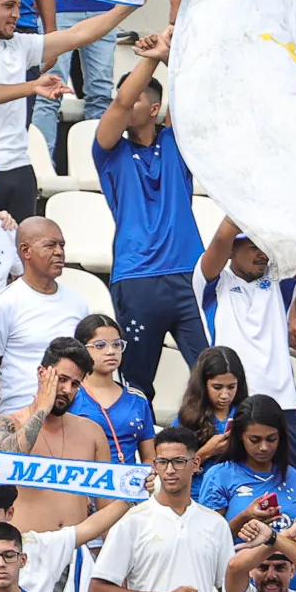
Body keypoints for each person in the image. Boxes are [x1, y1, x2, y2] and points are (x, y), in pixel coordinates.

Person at [94, 34, 208, 394]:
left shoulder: (177, 143)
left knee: (212, 377)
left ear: (155, 108)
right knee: (136, 384)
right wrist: (153, 58)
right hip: (137, 278)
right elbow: (122, 102)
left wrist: (170, 56)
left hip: (188, 275)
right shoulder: (110, 151)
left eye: (138, 98)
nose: (124, 103)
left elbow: (190, 93)